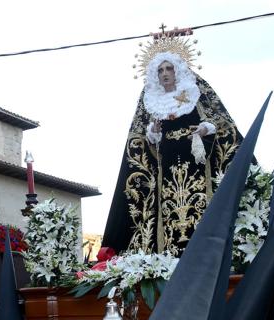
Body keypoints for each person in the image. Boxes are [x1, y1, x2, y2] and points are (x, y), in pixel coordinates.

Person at [103, 48, 243, 256]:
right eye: (160, 70)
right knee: (167, 211)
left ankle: (208, 253)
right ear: (156, 75)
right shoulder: (150, 101)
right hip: (166, 169)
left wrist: (205, 128)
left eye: (169, 68)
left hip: (196, 164)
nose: (165, 73)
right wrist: (153, 132)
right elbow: (142, 140)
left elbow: (219, 122)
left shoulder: (194, 92)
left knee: (201, 206)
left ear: (177, 70)